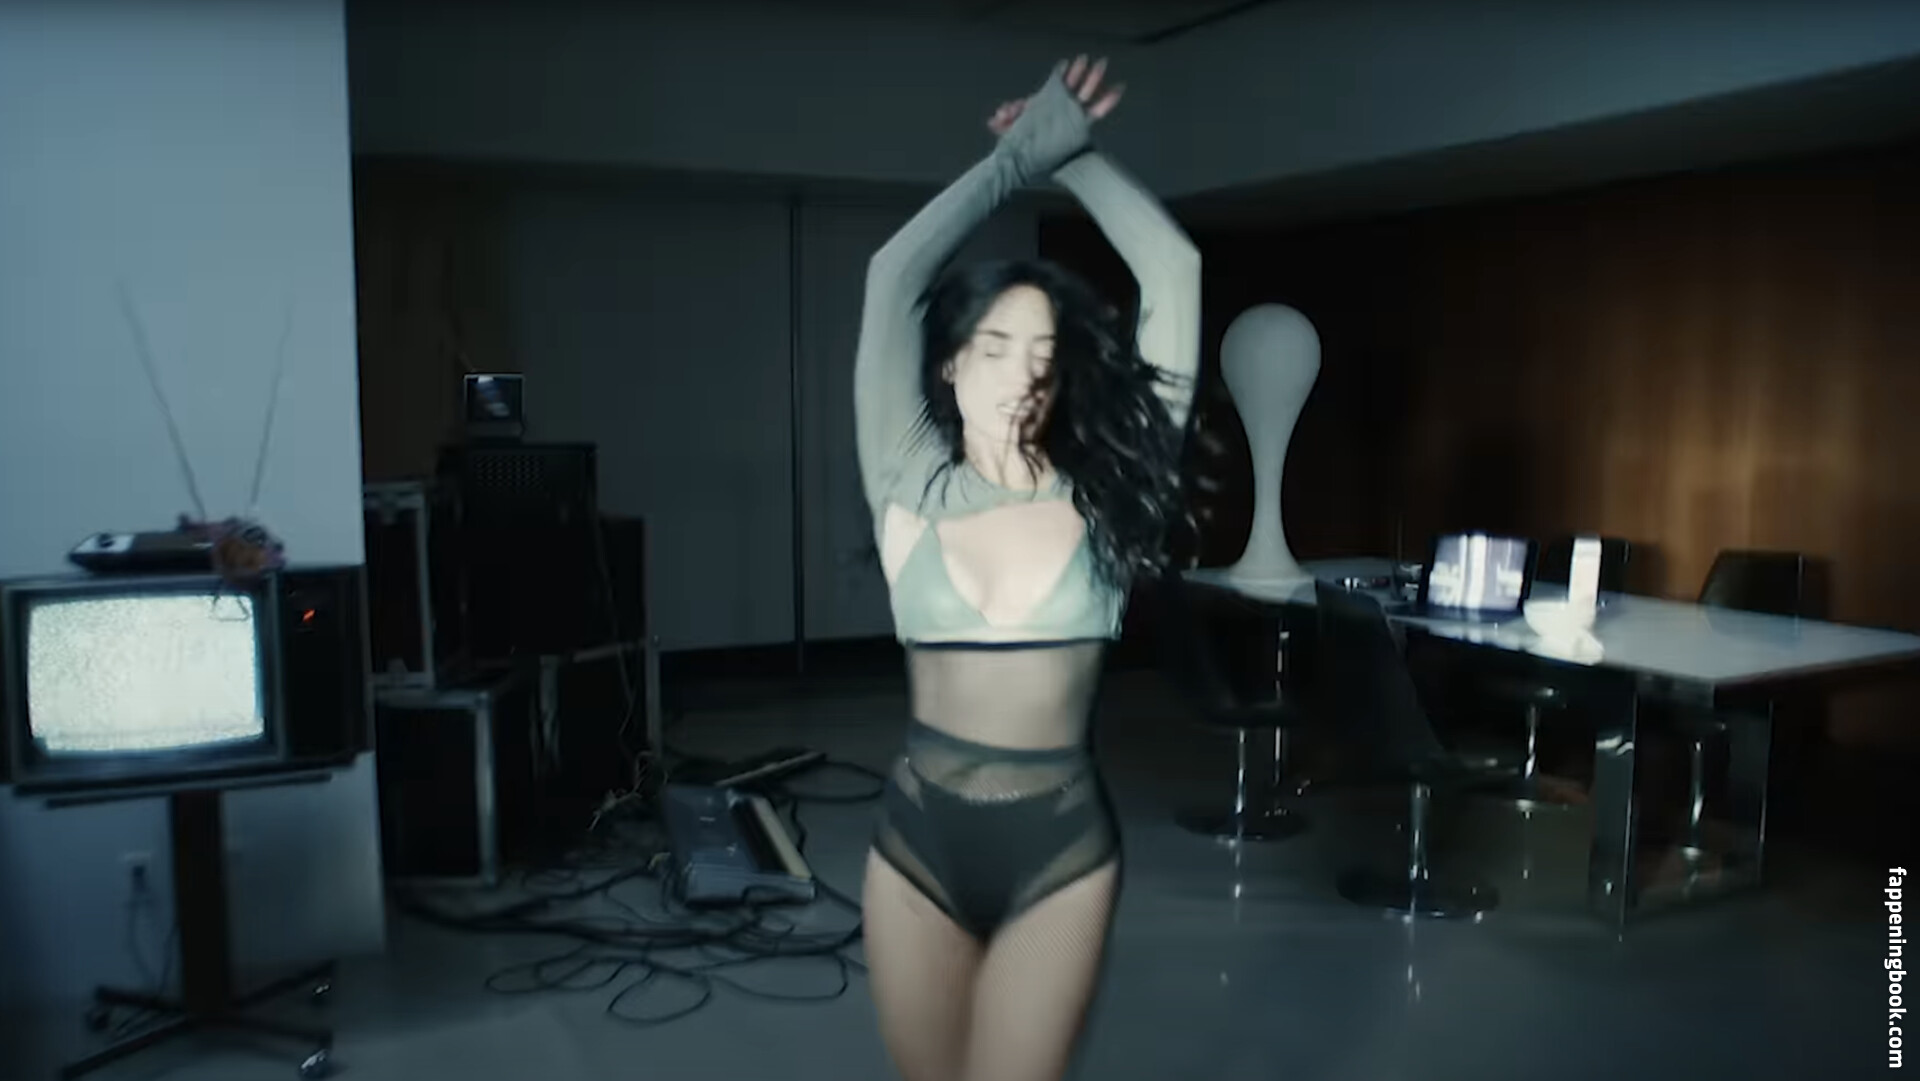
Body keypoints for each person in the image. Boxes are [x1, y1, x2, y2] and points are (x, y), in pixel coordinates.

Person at [854, 56, 1200, 1081]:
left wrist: (1075, 156)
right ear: (951, 361)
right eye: (996, 346)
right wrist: (1013, 163)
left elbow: (1174, 272)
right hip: (915, 847)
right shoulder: (907, 482)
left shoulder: (1109, 496)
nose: (1022, 375)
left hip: (1061, 852)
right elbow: (891, 278)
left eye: (1042, 355)